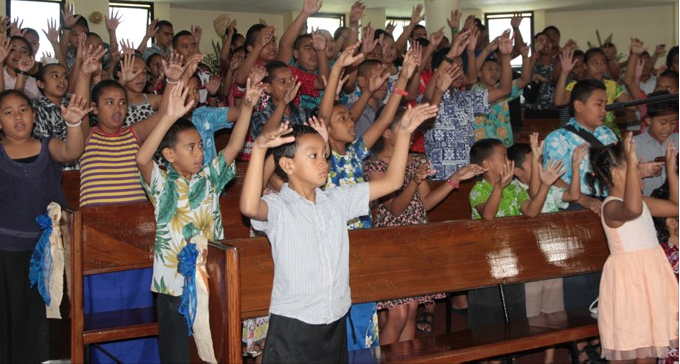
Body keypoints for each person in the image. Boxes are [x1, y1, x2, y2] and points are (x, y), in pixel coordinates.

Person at [240, 98, 438, 363]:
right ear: (288, 165)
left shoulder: (335, 200)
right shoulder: (279, 206)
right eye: (313, 156)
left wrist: (402, 134)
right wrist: (260, 150)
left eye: (324, 155)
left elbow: (392, 181)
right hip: (294, 324)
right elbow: (250, 206)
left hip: (334, 318)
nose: (323, 162)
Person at [136, 76, 252, 362]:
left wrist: (247, 106)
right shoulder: (162, 186)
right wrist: (168, 117)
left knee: (214, 349)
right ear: (170, 154)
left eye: (200, 145)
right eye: (191, 147)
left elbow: (234, 146)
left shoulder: (210, 178)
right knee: (177, 354)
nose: (200, 152)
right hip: (172, 286)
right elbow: (142, 158)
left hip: (212, 281)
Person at [365, 114, 485, 343]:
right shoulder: (375, 166)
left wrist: (455, 178)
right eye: (403, 127)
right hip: (390, 245)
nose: (410, 132)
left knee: (410, 310)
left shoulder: (416, 161)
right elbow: (395, 210)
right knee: (398, 313)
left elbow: (426, 203)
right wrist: (413, 182)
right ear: (387, 133)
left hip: (416, 241)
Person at [0, 89, 88, 363]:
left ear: (34, 115)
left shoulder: (47, 146)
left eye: (23, 109)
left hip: (48, 249)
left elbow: (72, 151)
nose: (18, 117)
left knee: (44, 315)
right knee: (11, 315)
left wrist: (73, 124)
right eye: (8, 112)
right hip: (7, 250)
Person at [466, 137, 566, 352]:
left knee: (513, 313)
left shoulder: (515, 189)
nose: (508, 159)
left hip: (514, 261)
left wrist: (546, 185)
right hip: (488, 264)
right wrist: (499, 188)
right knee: (489, 318)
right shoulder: (478, 189)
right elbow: (488, 216)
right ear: (486, 165)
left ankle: (508, 353)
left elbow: (532, 211)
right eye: (503, 156)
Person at [588, 133, 678, 363]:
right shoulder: (611, 207)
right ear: (617, 172)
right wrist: (629, 157)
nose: (640, 172)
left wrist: (671, 169)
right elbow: (633, 209)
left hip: (651, 277)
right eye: (635, 167)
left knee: (648, 348)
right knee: (627, 345)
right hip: (629, 284)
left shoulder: (642, 202)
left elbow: (675, 207)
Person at [425, 32, 512, 181]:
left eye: (460, 68)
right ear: (437, 72)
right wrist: (451, 53)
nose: (459, 72)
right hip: (440, 178)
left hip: (469, 177)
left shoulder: (466, 98)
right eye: (453, 68)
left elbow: (504, 89)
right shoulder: (430, 98)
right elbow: (430, 96)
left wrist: (505, 57)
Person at [555, 47, 631, 136]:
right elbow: (559, 102)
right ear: (585, 66)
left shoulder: (612, 85)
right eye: (595, 63)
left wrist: (633, 79)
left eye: (603, 62)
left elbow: (632, 106)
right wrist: (564, 72)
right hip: (582, 135)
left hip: (610, 137)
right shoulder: (576, 86)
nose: (600, 66)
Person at [473, 40, 534, 146]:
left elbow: (524, 80)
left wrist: (525, 57)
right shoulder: (475, 90)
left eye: (497, 70)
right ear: (479, 73)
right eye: (490, 69)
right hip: (482, 147)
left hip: (504, 144)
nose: (494, 73)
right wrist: (505, 56)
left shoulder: (501, 87)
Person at [633, 92, 678, 196]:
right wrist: (640, 171)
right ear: (648, 120)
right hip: (649, 203)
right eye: (663, 123)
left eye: (673, 123)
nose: (667, 128)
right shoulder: (634, 145)